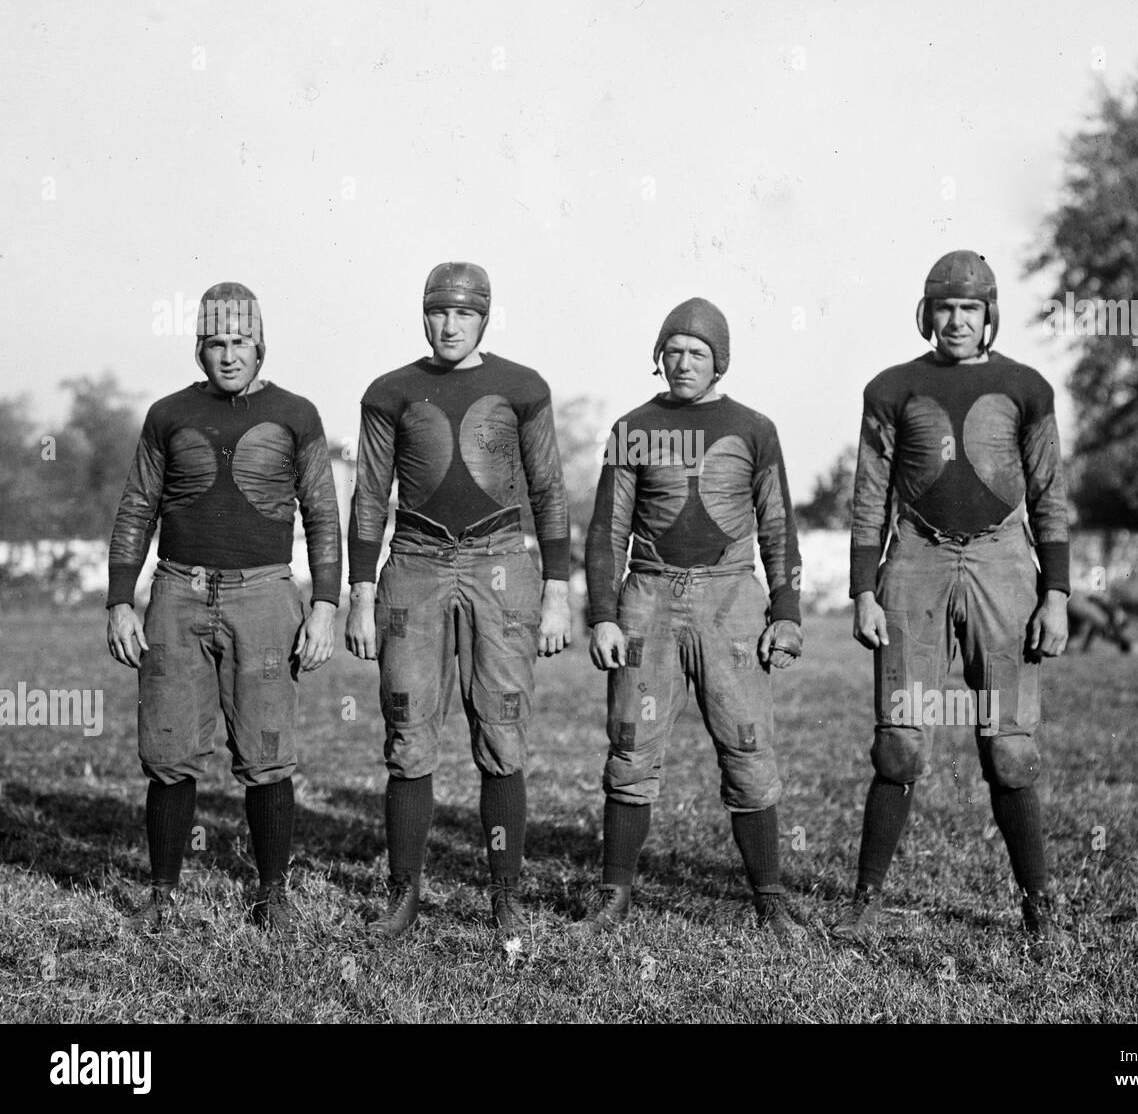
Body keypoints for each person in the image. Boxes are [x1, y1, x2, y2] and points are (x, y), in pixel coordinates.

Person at [836, 250, 1070, 949]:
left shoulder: (1026, 387)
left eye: (971, 308)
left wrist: (1055, 593)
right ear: (927, 312)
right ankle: (865, 902)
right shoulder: (893, 387)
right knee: (901, 743)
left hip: (1002, 560)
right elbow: (868, 496)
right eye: (946, 307)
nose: (958, 320)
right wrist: (861, 590)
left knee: (1010, 752)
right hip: (916, 557)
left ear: (990, 313)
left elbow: (1050, 494)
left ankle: (1039, 909)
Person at [346, 262, 571, 940]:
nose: (449, 325)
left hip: (499, 561)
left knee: (501, 736)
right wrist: (360, 594)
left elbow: (548, 491)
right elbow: (368, 498)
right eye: (438, 311)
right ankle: (402, 897)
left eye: (463, 313)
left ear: (484, 317)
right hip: (413, 563)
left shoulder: (522, 387)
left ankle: (505, 898)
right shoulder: (391, 391)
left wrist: (558, 592)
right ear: (423, 314)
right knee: (409, 735)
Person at [106, 282, 341, 931]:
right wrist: (120, 602)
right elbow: (136, 509)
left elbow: (323, 514)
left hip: (264, 595)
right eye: (216, 342)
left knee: (267, 751)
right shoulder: (167, 414)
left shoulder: (297, 413)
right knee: (170, 748)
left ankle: (272, 892)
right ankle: (161, 892)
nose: (229, 354)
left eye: (240, 341)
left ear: (259, 345)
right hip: (178, 591)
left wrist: (324, 605)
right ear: (199, 347)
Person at [580, 298, 806, 940]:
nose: (683, 362)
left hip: (730, 599)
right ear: (659, 358)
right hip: (648, 597)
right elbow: (607, 530)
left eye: (697, 353)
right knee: (631, 747)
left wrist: (785, 614)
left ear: (719, 362)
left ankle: (769, 896)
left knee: (749, 750)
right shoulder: (632, 427)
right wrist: (603, 615)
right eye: (673, 350)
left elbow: (778, 525)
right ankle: (613, 894)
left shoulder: (754, 428)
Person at [1066, 590, 1135, 653]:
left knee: (1093, 622)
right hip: (1077, 598)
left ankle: (1079, 646)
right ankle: (1126, 644)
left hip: (1074, 598)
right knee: (1100, 622)